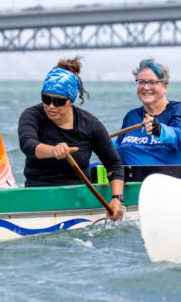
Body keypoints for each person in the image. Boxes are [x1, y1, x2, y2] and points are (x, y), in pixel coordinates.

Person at [18, 57, 124, 220]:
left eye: (59, 101)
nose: (51, 106)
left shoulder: (90, 124)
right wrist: (54, 151)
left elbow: (114, 164)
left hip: (79, 200)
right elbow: (27, 144)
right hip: (38, 195)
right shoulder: (32, 115)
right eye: (46, 99)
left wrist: (117, 199)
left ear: (71, 100)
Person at [115, 58, 181, 165]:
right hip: (131, 179)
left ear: (165, 87)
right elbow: (117, 152)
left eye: (152, 82)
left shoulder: (180, 110)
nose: (146, 87)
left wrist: (159, 130)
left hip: (171, 178)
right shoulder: (131, 116)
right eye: (141, 82)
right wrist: (99, 140)